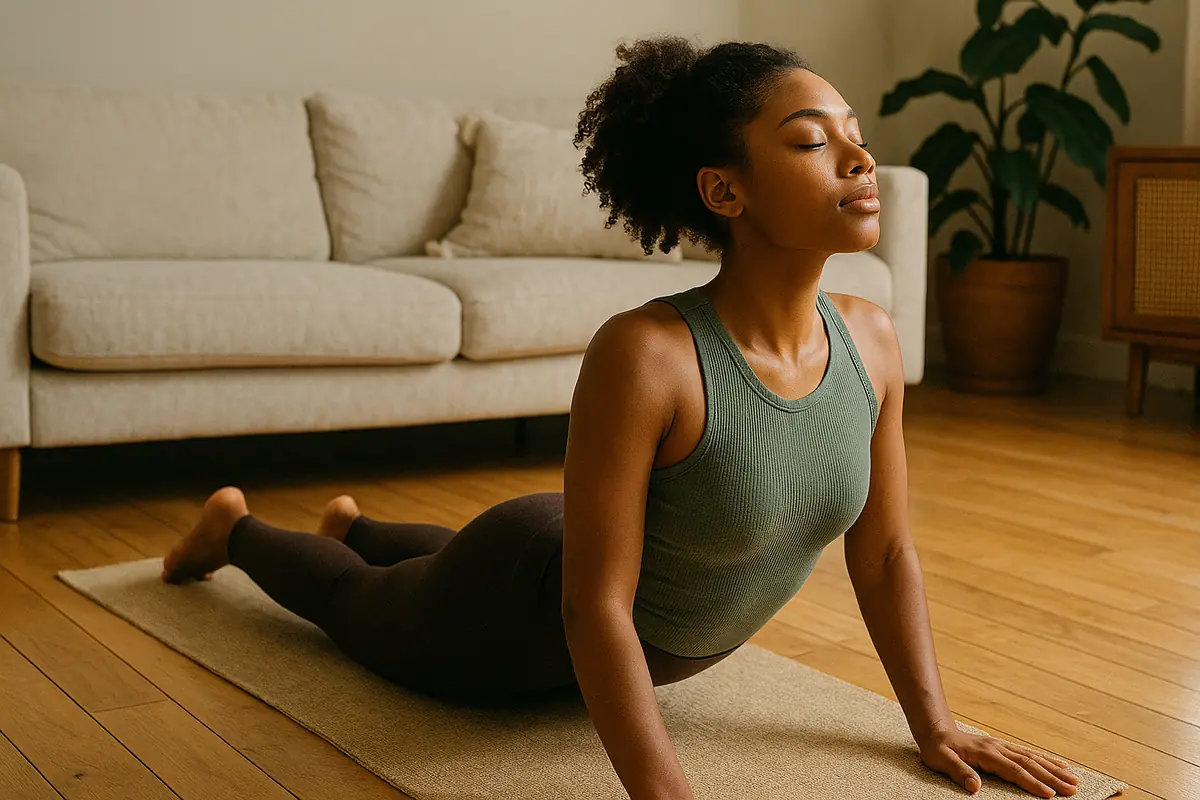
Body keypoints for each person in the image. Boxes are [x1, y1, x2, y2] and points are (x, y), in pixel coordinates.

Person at [161, 36, 1080, 800]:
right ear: (726, 192)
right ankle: (234, 528)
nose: (859, 158)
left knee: (442, 559)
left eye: (856, 135)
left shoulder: (873, 343)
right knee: (351, 605)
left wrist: (935, 724)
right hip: (514, 601)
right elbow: (592, 602)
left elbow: (881, 554)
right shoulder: (648, 353)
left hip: (572, 547)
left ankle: (357, 523)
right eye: (810, 143)